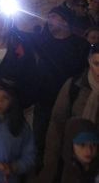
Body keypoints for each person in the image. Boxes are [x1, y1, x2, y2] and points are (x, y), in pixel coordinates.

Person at [30, 6, 89, 170]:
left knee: (64, 139)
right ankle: (38, 167)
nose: (49, 21)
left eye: (54, 17)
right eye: (49, 17)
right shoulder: (43, 43)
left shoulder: (80, 46)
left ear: (65, 21)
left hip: (69, 102)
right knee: (39, 136)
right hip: (44, 100)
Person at [40, 44, 99, 182]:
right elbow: (57, 124)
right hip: (70, 163)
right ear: (90, 61)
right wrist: (51, 164)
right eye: (97, 63)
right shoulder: (74, 86)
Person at [60, 118, 99, 183]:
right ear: (71, 145)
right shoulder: (62, 173)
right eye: (82, 145)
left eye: (94, 144)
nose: (89, 151)